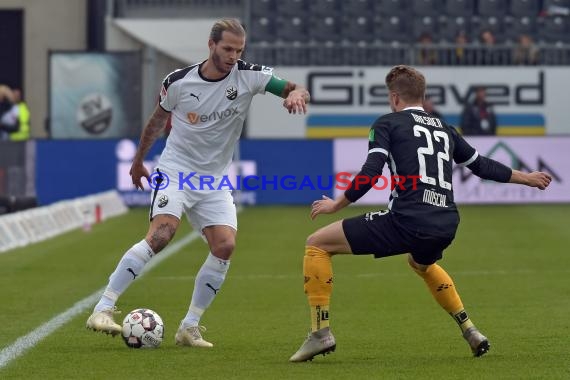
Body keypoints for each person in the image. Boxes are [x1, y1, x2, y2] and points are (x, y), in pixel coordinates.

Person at [289, 65, 552, 362]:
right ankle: (470, 330)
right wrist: (526, 178)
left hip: (407, 219)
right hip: (446, 222)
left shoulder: (387, 123)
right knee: (421, 263)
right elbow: (481, 166)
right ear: (423, 96)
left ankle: (320, 334)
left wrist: (336, 204)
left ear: (394, 97)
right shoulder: (445, 129)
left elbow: (371, 172)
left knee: (317, 244)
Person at [86, 18, 310, 347]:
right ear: (211, 45)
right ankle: (102, 309)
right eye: (227, 48)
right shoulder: (178, 82)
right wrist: (137, 162)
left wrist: (295, 96)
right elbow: (157, 121)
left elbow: (294, 88)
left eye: (239, 50)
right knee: (162, 234)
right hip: (176, 171)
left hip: (215, 179)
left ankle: (188, 327)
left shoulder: (249, 75)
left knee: (225, 246)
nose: (234, 55)